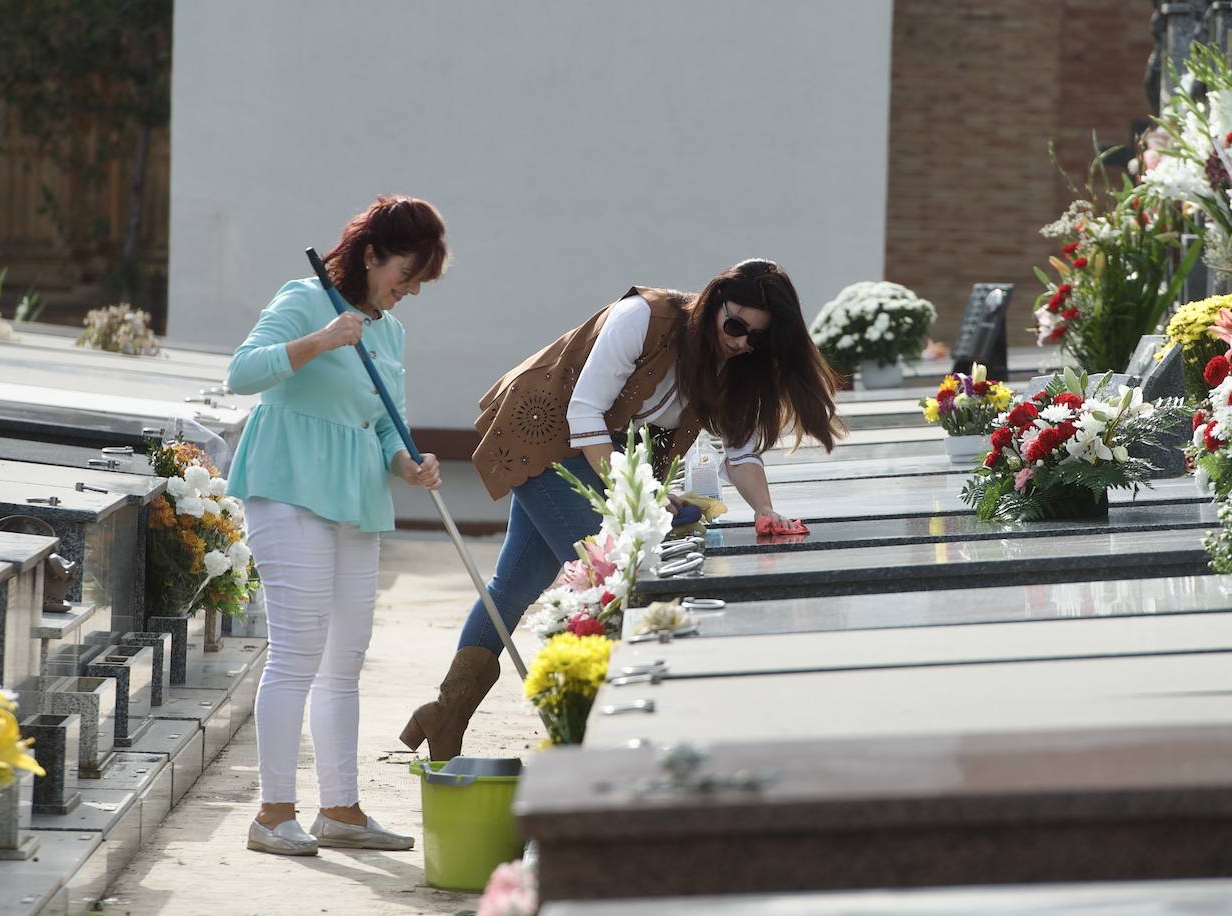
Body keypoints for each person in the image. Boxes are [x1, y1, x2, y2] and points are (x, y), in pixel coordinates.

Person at [398, 258, 843, 757]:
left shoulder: (735, 365)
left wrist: (766, 509)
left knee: (517, 583)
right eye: (735, 326)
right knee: (613, 584)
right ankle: (589, 733)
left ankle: (444, 715)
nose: (741, 343)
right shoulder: (642, 317)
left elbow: (740, 454)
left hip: (604, 455)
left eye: (757, 339)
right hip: (553, 440)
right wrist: (635, 496)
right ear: (715, 301)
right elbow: (585, 413)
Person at [226, 196, 446, 856]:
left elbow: (384, 422)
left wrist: (408, 462)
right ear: (372, 254)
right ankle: (272, 813)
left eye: (416, 283)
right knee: (297, 651)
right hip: (289, 485)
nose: (406, 292)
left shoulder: (390, 332)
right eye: (402, 274)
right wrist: (321, 339)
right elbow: (242, 372)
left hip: (355, 496)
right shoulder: (303, 298)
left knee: (346, 658)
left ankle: (341, 810)